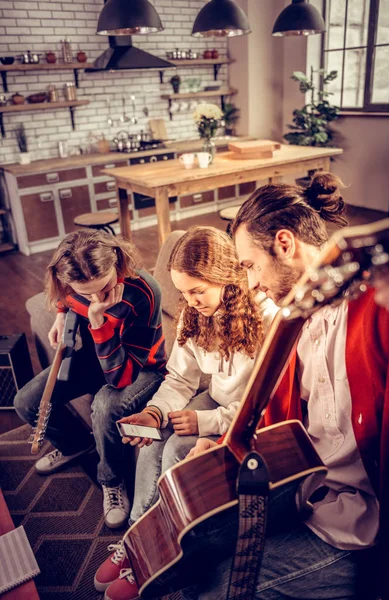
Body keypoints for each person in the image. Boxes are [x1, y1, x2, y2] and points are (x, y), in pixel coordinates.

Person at [183, 173, 389, 600]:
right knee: (192, 544)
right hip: (303, 489)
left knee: (214, 590)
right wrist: (226, 444)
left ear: (284, 244)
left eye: (250, 266)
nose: (251, 283)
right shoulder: (290, 321)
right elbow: (272, 416)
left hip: (358, 525)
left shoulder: (379, 310)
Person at [93, 226, 278, 599]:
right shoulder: (195, 316)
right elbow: (179, 379)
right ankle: (135, 539)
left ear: (227, 277)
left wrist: (206, 422)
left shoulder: (268, 318)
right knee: (154, 438)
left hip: (246, 417)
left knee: (178, 448)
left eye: (198, 291)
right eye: (183, 292)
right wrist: (154, 413)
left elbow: (265, 406)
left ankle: (163, 549)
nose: (191, 301)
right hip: (216, 401)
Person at [14, 229, 167, 529]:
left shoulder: (145, 292)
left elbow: (120, 379)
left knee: (105, 405)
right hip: (98, 357)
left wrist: (97, 321)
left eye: (106, 286)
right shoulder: (70, 285)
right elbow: (65, 298)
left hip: (141, 367)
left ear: (117, 263)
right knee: (27, 402)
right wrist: (61, 314)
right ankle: (76, 446)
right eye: (86, 293)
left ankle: (112, 480)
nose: (98, 297)